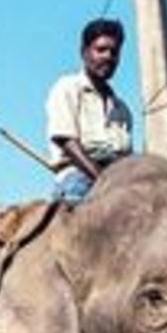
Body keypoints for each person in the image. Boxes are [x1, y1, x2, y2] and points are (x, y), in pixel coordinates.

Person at [44, 17, 133, 201]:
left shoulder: (122, 109)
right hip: (78, 179)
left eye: (114, 52)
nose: (108, 56)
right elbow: (67, 142)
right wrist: (102, 179)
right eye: (101, 50)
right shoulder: (67, 88)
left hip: (118, 184)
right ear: (84, 53)